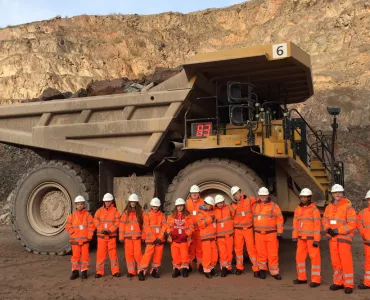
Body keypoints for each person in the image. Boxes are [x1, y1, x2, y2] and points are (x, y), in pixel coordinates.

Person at [322, 184, 356, 294]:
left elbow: (352, 224)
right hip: (333, 239)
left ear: (342, 193)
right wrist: (328, 229)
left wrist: (338, 230)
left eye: (339, 192)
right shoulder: (329, 207)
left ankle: (348, 284)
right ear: (332, 194)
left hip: (343, 239)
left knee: (346, 262)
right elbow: (325, 220)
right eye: (335, 193)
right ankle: (338, 282)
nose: (337, 194)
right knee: (336, 262)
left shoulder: (348, 206)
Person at [292, 188, 321, 288]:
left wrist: (317, 239)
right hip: (301, 239)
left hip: (311, 239)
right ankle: (302, 278)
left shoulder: (314, 210)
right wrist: (294, 236)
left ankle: (316, 280)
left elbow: (317, 225)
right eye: (302, 197)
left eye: (305, 197)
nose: (303, 199)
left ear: (309, 198)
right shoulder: (298, 209)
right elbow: (295, 224)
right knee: (299, 258)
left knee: (315, 259)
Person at [253, 187, 284, 280]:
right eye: (261, 195)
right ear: (258, 196)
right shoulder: (255, 206)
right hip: (258, 234)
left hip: (271, 234)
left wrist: (280, 232)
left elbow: (279, 220)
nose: (263, 197)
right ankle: (262, 270)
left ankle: (274, 272)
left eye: (264, 195)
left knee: (273, 254)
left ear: (268, 196)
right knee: (261, 253)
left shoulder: (274, 206)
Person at [230, 186, 259, 276]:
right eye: (235, 195)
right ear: (233, 196)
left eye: (238, 193)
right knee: (238, 250)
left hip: (248, 229)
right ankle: (239, 267)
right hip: (238, 230)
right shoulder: (232, 205)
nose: (237, 195)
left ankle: (256, 268)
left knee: (251, 249)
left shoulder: (249, 200)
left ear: (240, 192)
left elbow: (260, 199)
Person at [65, 195, 95, 280]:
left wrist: (89, 237)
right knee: (75, 257)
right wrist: (73, 233)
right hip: (75, 241)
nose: (80, 205)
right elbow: (67, 225)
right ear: (76, 205)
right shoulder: (72, 215)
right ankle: (75, 272)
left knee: (85, 257)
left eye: (81, 204)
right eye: (78, 204)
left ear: (84, 204)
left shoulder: (88, 215)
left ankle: (84, 272)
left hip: (85, 240)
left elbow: (91, 226)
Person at [138, 198, 166, 281]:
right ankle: (141, 271)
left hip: (159, 240)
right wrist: (153, 238)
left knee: (158, 256)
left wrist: (160, 237)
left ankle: (154, 270)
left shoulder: (162, 215)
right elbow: (146, 227)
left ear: (159, 206)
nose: (155, 208)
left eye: (156, 206)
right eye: (154, 206)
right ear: (151, 206)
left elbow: (164, 226)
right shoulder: (147, 215)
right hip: (151, 240)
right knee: (147, 255)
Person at [94, 193, 121, 278]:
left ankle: (115, 271)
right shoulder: (99, 211)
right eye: (106, 201)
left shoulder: (115, 211)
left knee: (113, 255)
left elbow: (117, 222)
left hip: (111, 236)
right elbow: (95, 221)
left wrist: (110, 230)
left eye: (109, 201)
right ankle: (99, 272)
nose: (107, 202)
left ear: (111, 201)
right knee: (100, 255)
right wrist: (102, 230)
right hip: (102, 237)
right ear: (104, 201)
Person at [167, 198, 194, 278]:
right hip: (174, 240)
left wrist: (186, 234)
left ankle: (185, 270)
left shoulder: (188, 216)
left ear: (183, 206)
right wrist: (170, 232)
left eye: (181, 206)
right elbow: (167, 226)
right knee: (175, 256)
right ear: (176, 207)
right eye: (178, 206)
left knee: (184, 256)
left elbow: (191, 228)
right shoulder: (171, 216)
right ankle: (177, 270)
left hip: (184, 240)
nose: (179, 207)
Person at [119, 193, 144, 278]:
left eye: (134, 202)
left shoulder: (140, 212)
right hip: (128, 238)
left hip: (137, 238)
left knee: (138, 255)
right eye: (131, 202)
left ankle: (141, 271)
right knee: (129, 255)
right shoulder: (125, 213)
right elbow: (122, 226)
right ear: (129, 203)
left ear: (137, 203)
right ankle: (131, 272)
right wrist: (121, 237)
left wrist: (143, 237)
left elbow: (144, 226)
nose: (133, 203)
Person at [197, 196, 218, 279]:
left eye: (210, 205)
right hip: (205, 238)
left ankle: (212, 268)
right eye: (208, 204)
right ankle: (206, 270)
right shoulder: (200, 213)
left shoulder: (213, 212)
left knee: (214, 255)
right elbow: (200, 224)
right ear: (205, 204)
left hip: (213, 237)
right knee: (207, 255)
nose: (209, 206)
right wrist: (210, 219)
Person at [214, 194, 234, 277]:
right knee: (223, 253)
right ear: (216, 204)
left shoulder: (229, 208)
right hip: (220, 237)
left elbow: (234, 214)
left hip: (229, 235)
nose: (220, 204)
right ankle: (224, 268)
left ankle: (229, 268)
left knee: (229, 253)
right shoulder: (214, 211)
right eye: (218, 203)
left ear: (224, 202)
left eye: (221, 202)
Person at [186, 185, 204, 272]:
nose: (194, 194)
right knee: (190, 248)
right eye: (193, 193)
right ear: (190, 194)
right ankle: (189, 265)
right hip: (190, 230)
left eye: (196, 193)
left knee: (200, 248)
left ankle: (200, 265)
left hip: (199, 229)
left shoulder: (203, 202)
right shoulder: (186, 203)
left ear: (199, 193)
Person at [357, 190, 370, 290]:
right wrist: (365, 235)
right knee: (368, 263)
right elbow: (359, 225)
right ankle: (367, 283)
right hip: (367, 243)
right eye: (369, 199)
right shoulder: (362, 213)